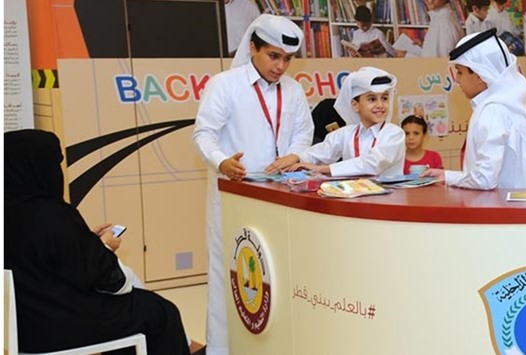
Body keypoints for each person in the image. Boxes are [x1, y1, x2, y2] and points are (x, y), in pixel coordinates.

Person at [4, 129, 199, 355]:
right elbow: (112, 282)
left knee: (127, 311)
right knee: (159, 311)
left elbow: (44, 260)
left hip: (21, 327)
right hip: (58, 327)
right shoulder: (53, 215)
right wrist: (104, 247)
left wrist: (86, 243)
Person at [192, 14, 313, 355]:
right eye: (273, 56)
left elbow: (304, 133)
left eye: (287, 59)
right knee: (230, 275)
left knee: (277, 275)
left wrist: (293, 155)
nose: (281, 66)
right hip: (234, 195)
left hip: (281, 195)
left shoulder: (294, 90)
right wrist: (222, 162)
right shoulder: (225, 84)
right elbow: (203, 134)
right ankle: (222, 349)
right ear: (253, 48)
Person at [420, 29, 526, 189]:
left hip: (501, 211)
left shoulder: (493, 111)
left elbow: (485, 179)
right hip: (518, 208)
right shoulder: (510, 106)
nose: (457, 79)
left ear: (480, 76)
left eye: (460, 72)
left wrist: (449, 178)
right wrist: (447, 176)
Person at [284, 66, 405, 177]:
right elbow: (319, 153)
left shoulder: (394, 134)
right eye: (372, 99)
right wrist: (296, 158)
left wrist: (324, 169)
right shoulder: (345, 134)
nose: (380, 105)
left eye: (384, 98)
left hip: (386, 199)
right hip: (354, 197)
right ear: (355, 105)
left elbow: (373, 163)